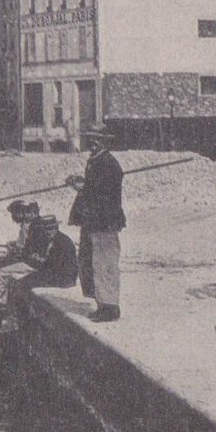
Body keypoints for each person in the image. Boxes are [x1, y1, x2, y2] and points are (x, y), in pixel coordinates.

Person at [68, 125, 126, 322]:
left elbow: (106, 193)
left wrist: (84, 187)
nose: (92, 141)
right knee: (91, 262)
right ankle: (102, 303)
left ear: (105, 141)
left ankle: (110, 307)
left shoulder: (109, 163)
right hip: (93, 221)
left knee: (104, 264)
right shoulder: (95, 161)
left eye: (96, 138)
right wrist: (82, 183)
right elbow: (94, 188)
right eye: (90, 137)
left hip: (105, 222)